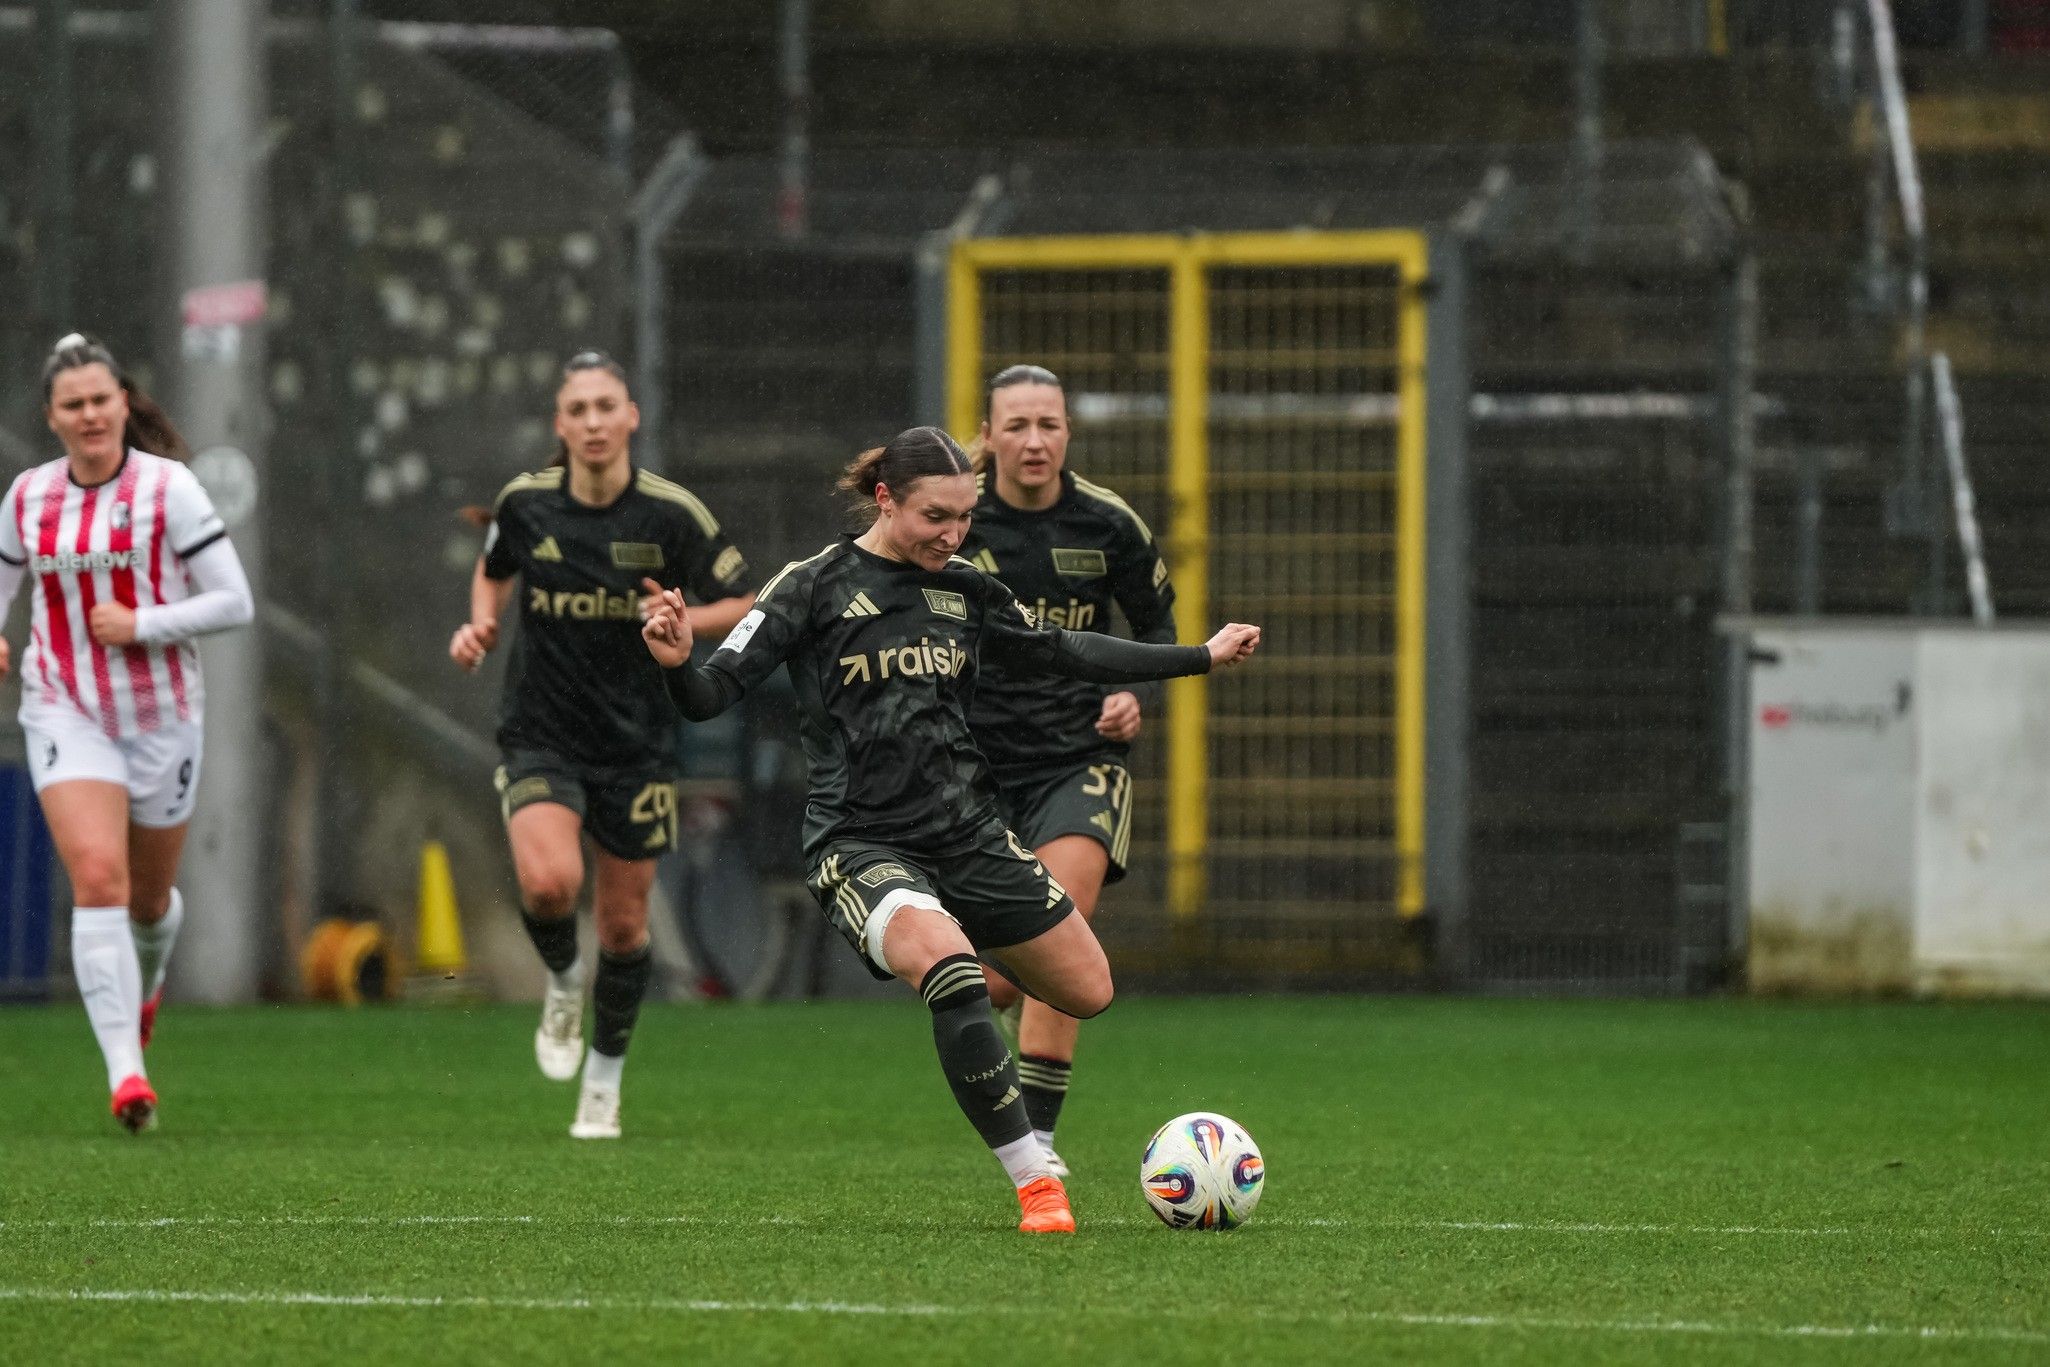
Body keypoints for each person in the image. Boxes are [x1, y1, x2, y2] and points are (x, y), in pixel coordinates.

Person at [640, 426, 1259, 1232]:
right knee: (956, 971)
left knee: (1088, 987)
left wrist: (1197, 656)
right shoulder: (811, 586)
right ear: (885, 498)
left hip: (967, 833)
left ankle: (966, 1000)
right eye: (937, 516)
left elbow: (1061, 650)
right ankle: (1037, 1178)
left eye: (965, 516)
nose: (954, 533)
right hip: (860, 841)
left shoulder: (966, 587)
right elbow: (708, 695)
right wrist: (676, 660)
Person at [450, 350, 754, 1139]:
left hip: (636, 743)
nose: (591, 422)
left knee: (624, 926)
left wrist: (685, 622)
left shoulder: (670, 515)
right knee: (549, 886)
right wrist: (481, 620)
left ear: (631, 418)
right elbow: (495, 568)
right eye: (577, 409)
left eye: (604, 406)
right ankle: (560, 980)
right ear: (560, 424)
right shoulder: (526, 503)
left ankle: (605, 1083)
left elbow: (745, 598)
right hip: (541, 732)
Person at [0, 333, 255, 1132]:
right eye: (72, 405)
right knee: (100, 879)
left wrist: (143, 621)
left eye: (100, 400)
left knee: (148, 903)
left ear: (122, 403)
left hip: (161, 717)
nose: (88, 415)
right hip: (64, 706)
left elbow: (233, 601)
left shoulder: (169, 489)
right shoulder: (27, 497)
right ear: (53, 417)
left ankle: (145, 988)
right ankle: (127, 1075)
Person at [959, 364, 1178, 1177]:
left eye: (1048, 423)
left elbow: (1157, 624)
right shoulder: (957, 518)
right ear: (986, 435)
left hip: (1077, 759)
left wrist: (1131, 692)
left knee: (1060, 917)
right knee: (1000, 983)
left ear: (1068, 433)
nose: (1033, 440)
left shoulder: (1108, 524)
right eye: (1016, 424)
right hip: (973, 768)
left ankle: (1039, 1141)